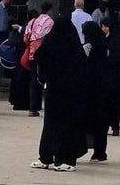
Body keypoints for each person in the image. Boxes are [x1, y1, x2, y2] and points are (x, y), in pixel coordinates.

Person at [33, 10, 87, 172]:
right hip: (70, 93)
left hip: (54, 90)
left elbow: (39, 55)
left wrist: (44, 77)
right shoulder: (75, 48)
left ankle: (47, 157)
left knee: (51, 124)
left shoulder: (51, 43)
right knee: (65, 125)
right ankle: (63, 159)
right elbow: (83, 70)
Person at [81, 20, 110, 161]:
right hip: (102, 89)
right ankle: (100, 152)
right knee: (100, 123)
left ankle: (93, 150)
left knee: (93, 121)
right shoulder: (103, 44)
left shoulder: (90, 47)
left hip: (92, 90)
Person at [18, 4, 54, 117]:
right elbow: (49, 38)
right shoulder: (50, 21)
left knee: (34, 79)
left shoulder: (33, 21)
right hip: (44, 53)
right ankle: (41, 105)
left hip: (33, 52)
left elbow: (25, 37)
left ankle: (33, 107)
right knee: (45, 79)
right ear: (50, 10)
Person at [99, 11, 120, 137]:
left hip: (114, 76)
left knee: (114, 102)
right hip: (104, 76)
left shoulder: (116, 40)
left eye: (105, 26)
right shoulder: (102, 39)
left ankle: (115, 126)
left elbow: (117, 57)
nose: (103, 29)